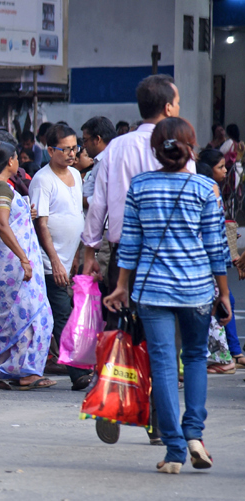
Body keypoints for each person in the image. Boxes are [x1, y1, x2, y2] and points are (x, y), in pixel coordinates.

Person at [102, 117, 224, 474]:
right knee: (197, 357)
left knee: (164, 366)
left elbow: (131, 243)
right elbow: (215, 248)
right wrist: (225, 293)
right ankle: (195, 436)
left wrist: (121, 285)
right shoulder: (205, 189)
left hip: (152, 290)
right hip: (197, 288)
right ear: (191, 148)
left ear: (155, 150)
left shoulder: (140, 186)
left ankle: (173, 451)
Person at [81, 74, 187, 303]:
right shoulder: (180, 146)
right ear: (168, 108)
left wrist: (90, 252)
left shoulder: (117, 146)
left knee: (125, 332)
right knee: (163, 331)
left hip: (124, 256)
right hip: (171, 254)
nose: (179, 108)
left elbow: (98, 203)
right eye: (178, 103)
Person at [0, 141, 55, 392]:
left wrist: (25, 213)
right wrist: (24, 259)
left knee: (2, 320)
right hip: (8, 265)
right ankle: (25, 372)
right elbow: (2, 223)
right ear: (10, 162)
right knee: (34, 315)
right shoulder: (0, 188)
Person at [29, 124, 89, 390]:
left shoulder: (76, 175)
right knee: (63, 315)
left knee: (72, 313)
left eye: (75, 148)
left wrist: (76, 254)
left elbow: (78, 216)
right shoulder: (42, 180)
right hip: (47, 262)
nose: (72, 154)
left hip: (69, 258)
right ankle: (77, 372)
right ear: (51, 150)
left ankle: (78, 364)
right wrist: (54, 261)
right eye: (65, 149)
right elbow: (41, 224)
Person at [197, 147, 245, 372]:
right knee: (223, 303)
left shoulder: (215, 192)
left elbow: (221, 230)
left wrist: (235, 255)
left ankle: (228, 355)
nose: (225, 171)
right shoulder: (210, 191)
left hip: (212, 262)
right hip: (212, 262)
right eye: (220, 167)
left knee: (222, 304)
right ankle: (232, 353)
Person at [80, 116, 116, 201]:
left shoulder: (110, 162)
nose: (84, 145)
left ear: (97, 139)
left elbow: (106, 200)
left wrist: (80, 201)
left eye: (85, 140)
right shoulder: (99, 161)